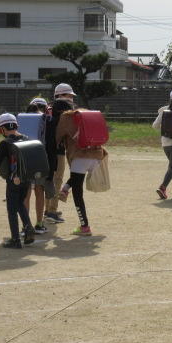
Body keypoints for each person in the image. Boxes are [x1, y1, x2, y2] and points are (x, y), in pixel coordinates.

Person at [56, 108, 108, 236]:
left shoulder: (65, 117)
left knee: (78, 193)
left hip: (79, 157)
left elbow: (57, 137)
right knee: (76, 178)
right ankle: (65, 189)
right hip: (96, 156)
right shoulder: (87, 114)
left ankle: (84, 227)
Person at [0, 113, 36, 248]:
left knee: (11, 209)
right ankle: (28, 227)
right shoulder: (27, 139)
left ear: (3, 129)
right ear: (16, 125)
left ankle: (15, 239)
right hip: (26, 179)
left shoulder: (5, 143)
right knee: (20, 203)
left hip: (13, 180)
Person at [44, 83, 76, 224]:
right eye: (69, 95)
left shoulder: (49, 107)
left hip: (46, 148)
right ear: (61, 95)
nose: (71, 98)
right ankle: (52, 211)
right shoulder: (63, 108)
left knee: (49, 179)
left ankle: (47, 209)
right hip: (58, 149)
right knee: (57, 179)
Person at [22, 97, 49, 234]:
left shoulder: (21, 119)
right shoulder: (44, 119)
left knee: (26, 193)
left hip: (24, 158)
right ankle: (39, 224)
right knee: (39, 191)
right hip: (39, 158)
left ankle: (26, 226)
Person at [152, 89, 172, 199]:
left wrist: (165, 128)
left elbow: (154, 126)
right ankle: (163, 187)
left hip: (165, 143)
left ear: (170, 98)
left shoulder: (164, 110)